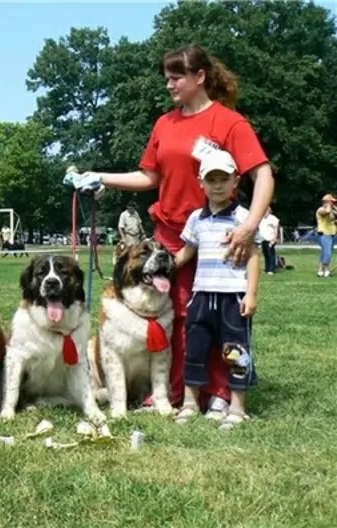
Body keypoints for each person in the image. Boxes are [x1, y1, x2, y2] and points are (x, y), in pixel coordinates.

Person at [68, 43, 274, 415]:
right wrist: (100, 178)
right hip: (169, 236)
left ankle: (222, 393)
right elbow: (150, 175)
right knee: (175, 317)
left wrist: (248, 225)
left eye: (177, 77)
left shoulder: (229, 122)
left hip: (218, 238)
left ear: (200, 77)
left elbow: (262, 174)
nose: (170, 85)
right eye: (167, 78)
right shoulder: (165, 123)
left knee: (220, 315)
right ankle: (174, 394)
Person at [173, 150, 260, 430]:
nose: (218, 185)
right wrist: (161, 266)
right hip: (202, 296)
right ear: (201, 183)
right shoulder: (196, 219)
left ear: (236, 181)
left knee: (236, 351)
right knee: (195, 349)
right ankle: (189, 402)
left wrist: (251, 293)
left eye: (224, 179)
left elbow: (254, 256)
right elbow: (186, 253)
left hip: (233, 297)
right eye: (211, 179)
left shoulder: (244, 219)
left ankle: (236, 406)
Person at [315, 194, 336, 278]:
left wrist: (333, 208)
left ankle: (320, 270)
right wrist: (328, 206)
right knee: (327, 253)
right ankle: (326, 270)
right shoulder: (320, 210)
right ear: (326, 202)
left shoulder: (332, 210)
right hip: (324, 234)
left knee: (325, 253)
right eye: (332, 202)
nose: (334, 203)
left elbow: (332, 217)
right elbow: (327, 212)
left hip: (332, 234)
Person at [258, 207, 280, 275]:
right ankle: (267, 268)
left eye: (265, 211)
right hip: (263, 239)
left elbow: (276, 229)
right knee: (266, 255)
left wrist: (274, 238)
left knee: (271, 254)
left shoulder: (273, 219)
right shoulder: (261, 218)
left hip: (270, 239)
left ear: (268, 211)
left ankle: (271, 269)